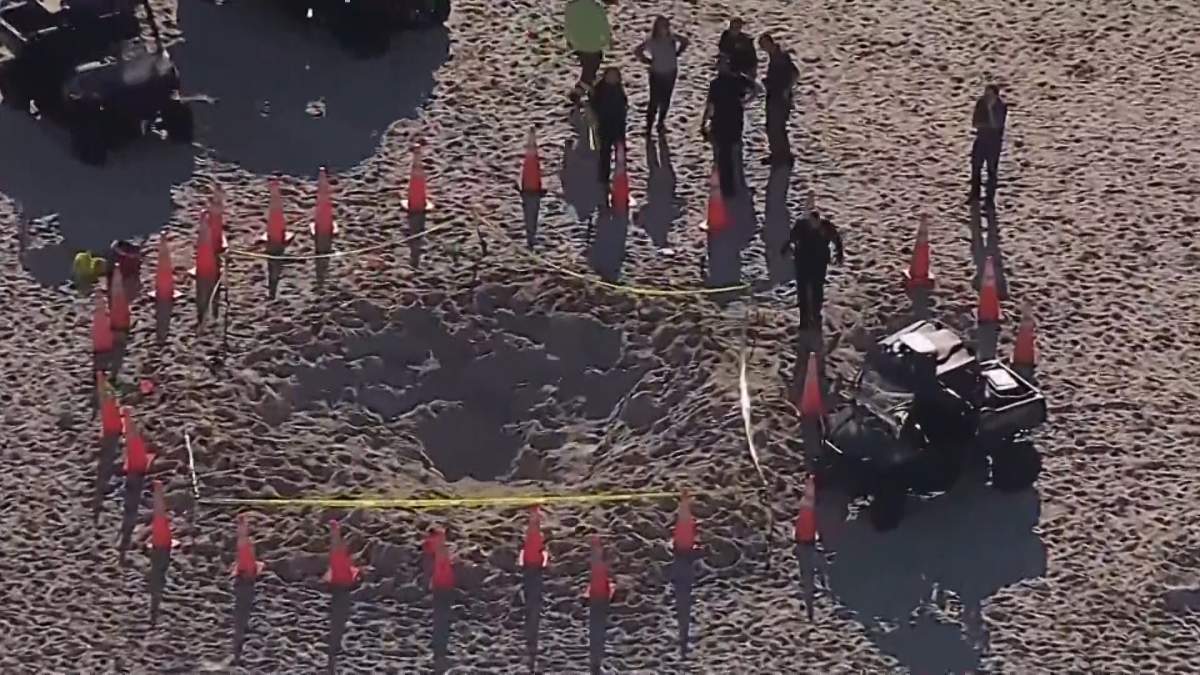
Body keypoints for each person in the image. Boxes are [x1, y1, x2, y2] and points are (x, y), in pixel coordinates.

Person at [781, 195, 845, 330]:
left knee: (817, 289)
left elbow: (837, 240)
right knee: (802, 291)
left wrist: (839, 254)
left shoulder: (826, 226)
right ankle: (804, 318)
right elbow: (791, 238)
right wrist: (785, 248)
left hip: (819, 262)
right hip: (803, 260)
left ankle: (816, 314)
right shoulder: (801, 226)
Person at [700, 55, 754, 197]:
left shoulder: (718, 83)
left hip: (724, 121)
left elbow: (709, 105)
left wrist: (704, 122)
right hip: (731, 120)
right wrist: (746, 101)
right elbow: (755, 89)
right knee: (731, 154)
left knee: (724, 155)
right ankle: (733, 187)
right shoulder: (736, 80)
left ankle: (728, 188)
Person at [633, 16, 689, 135]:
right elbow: (637, 51)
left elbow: (685, 41)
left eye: (666, 25)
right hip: (656, 73)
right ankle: (649, 127)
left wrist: (678, 52)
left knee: (666, 99)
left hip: (671, 72)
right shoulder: (652, 40)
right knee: (654, 101)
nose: (664, 28)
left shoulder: (672, 38)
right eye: (661, 26)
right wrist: (647, 61)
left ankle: (660, 123)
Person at [759, 33, 799, 167]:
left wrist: (786, 90)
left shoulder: (781, 56)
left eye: (764, 45)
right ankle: (777, 154)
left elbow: (794, 74)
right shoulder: (774, 56)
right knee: (771, 127)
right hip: (774, 95)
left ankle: (784, 156)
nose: (763, 49)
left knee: (777, 127)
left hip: (780, 97)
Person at [968, 84, 1008, 209]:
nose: (987, 97)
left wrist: (990, 111)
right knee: (976, 167)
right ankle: (975, 196)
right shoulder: (981, 103)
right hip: (981, 139)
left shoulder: (1000, 106)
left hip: (994, 143)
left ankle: (989, 199)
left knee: (991, 170)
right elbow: (975, 122)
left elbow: (997, 125)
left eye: (989, 94)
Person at [565, 0, 613, 102]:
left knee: (588, 68)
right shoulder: (596, 7)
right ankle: (578, 92)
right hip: (594, 43)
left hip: (579, 43)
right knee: (590, 70)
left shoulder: (571, 7)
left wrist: (569, 40)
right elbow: (603, 25)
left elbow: (568, 25)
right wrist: (607, 40)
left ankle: (590, 91)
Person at [590, 67, 627, 186]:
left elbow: (623, 103)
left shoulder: (618, 89)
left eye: (615, 77)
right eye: (610, 76)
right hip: (605, 126)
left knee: (620, 151)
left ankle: (619, 176)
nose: (613, 79)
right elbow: (593, 105)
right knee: (605, 152)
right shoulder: (599, 90)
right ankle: (603, 177)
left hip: (618, 125)